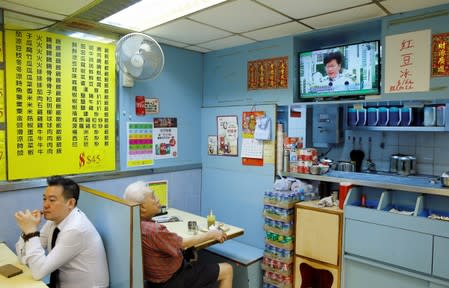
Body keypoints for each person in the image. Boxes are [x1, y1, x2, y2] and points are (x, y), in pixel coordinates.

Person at [123, 181, 233, 288]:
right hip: (172, 280)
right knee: (227, 269)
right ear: (142, 207)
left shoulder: (133, 223)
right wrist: (212, 234)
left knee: (191, 255)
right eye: (153, 197)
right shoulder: (154, 230)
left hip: (153, 280)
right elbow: (182, 244)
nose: (157, 199)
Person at [15, 176, 109, 288]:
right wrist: (26, 231)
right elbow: (23, 258)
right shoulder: (55, 219)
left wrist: (31, 231)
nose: (45, 205)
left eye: (52, 200)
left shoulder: (75, 230)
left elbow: (38, 272)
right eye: (44, 199)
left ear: (70, 203)